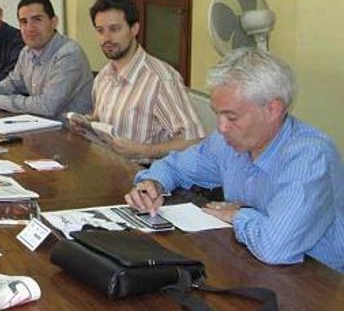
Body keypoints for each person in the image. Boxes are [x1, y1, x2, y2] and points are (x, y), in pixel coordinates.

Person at [126, 50, 343, 272]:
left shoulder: (310, 157)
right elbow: (174, 167)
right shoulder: (226, 142)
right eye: (217, 114)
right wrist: (152, 184)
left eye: (232, 117)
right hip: (252, 266)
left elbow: (275, 246)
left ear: (272, 109)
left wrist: (238, 214)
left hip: (319, 282)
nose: (221, 127)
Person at [78, 0, 205, 160]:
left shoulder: (160, 79)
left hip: (145, 175)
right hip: (107, 167)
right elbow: (107, 120)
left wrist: (144, 151)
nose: (106, 38)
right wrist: (89, 123)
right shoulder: (103, 77)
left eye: (114, 29)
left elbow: (195, 141)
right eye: (100, 31)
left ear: (134, 29)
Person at [0, 0, 93, 118]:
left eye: (37, 19)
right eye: (24, 22)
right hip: (41, 127)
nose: (30, 28)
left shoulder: (68, 54)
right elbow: (13, 83)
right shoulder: (27, 51)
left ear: (54, 22)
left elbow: (48, 106)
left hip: (70, 133)